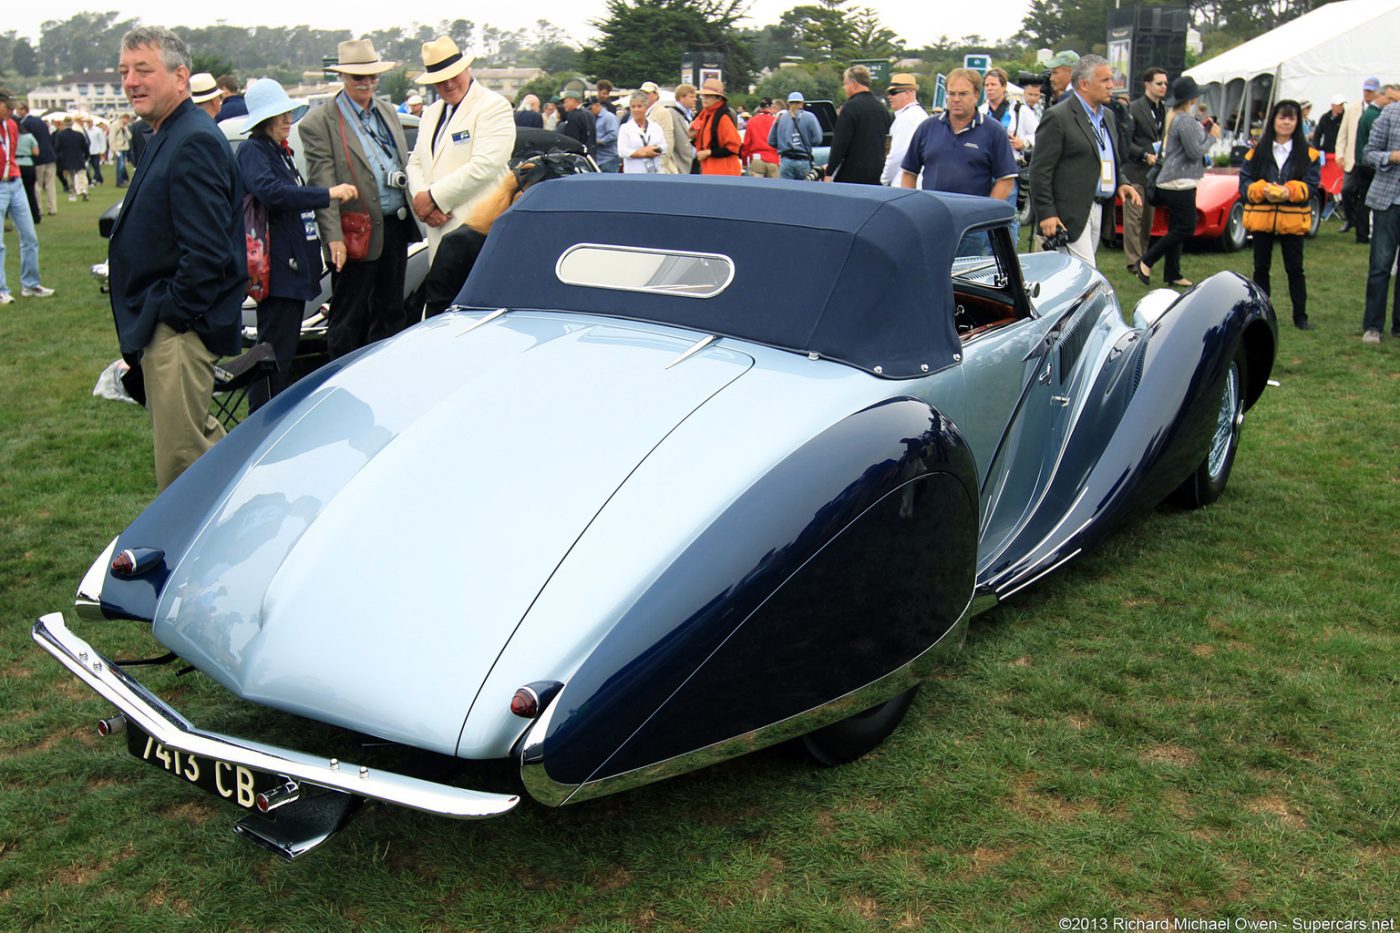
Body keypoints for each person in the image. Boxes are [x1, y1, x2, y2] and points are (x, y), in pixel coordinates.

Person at [107, 27, 244, 490]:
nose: (131, 82)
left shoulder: (192, 140)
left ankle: (221, 538)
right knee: (199, 453)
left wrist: (171, 315)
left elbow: (207, 253)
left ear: (180, 77)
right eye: (124, 71)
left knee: (183, 470)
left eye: (143, 70)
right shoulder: (170, 133)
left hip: (181, 330)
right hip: (172, 326)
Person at [236, 79, 358, 411]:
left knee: (282, 352)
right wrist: (327, 194)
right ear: (264, 120)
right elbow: (272, 192)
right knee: (273, 354)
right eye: (280, 115)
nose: (287, 120)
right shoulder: (254, 151)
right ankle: (264, 419)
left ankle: (272, 416)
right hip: (277, 271)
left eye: (288, 113)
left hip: (290, 268)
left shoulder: (278, 152)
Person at [300, 38, 421, 358]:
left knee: (390, 311)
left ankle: (384, 373)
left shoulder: (387, 112)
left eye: (372, 76)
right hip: (354, 231)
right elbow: (322, 183)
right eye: (358, 77)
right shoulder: (319, 122)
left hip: (394, 226)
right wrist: (333, 238)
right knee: (348, 317)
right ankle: (342, 378)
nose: (367, 83)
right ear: (342, 77)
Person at [407, 36, 513, 322]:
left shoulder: (493, 105)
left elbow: (486, 164)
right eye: (440, 80)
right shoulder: (431, 113)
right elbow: (416, 162)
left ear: (467, 69)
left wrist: (434, 198)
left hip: (477, 234)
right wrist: (424, 202)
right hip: (439, 234)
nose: (448, 84)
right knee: (444, 318)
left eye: (453, 75)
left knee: (479, 318)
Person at [1030, 55, 1142, 267]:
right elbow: (1040, 170)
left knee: (1076, 275)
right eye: (1105, 80)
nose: (1111, 85)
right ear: (1084, 84)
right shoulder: (1058, 116)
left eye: (1111, 79)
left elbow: (1106, 157)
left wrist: (1121, 182)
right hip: (1069, 213)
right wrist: (1046, 213)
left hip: (1097, 208)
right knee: (1086, 273)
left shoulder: (1107, 116)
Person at [899, 68, 1017, 255]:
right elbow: (908, 173)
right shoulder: (927, 128)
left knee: (965, 273)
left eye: (962, 94)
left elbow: (1006, 180)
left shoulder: (993, 131)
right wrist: (913, 209)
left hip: (971, 229)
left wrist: (984, 216)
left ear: (976, 95)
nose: (955, 99)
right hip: (932, 222)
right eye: (951, 93)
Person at [1239, 99, 1321, 331]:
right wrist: (1261, 190)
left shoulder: (1310, 154)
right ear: (1273, 120)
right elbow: (1244, 184)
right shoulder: (1256, 152)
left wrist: (1289, 191)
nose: (1286, 122)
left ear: (1298, 122)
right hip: (1262, 218)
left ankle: (1300, 316)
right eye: (1282, 117)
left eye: (1291, 118)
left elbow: (1312, 185)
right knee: (1260, 267)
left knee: (1295, 269)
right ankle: (1261, 314)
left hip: (1292, 220)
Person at [1136, 77, 1221, 289]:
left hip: (1176, 180)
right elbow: (1194, 152)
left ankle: (1173, 273)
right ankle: (1147, 260)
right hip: (1179, 182)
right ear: (1192, 98)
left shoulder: (1176, 117)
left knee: (1176, 227)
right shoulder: (1184, 120)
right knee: (1185, 227)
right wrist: (1212, 137)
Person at [0, 88, 55, 305]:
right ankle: (1, 289)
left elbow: (10, 154)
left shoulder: (12, 126)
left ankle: (30, 284)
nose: (11, 111)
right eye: (8, 107)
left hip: (15, 182)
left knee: (30, 236)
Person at [1360, 84, 1400, 343]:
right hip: (1388, 201)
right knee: (1380, 267)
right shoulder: (1391, 113)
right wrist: (1392, 157)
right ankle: (1373, 326)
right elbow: (1368, 153)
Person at [979, 67, 1037, 244]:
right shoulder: (980, 111)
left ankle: (1009, 253)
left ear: (1004, 87)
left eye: (993, 85)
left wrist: (1024, 142)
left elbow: (1040, 133)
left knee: (1008, 214)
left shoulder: (1019, 110)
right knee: (984, 215)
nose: (989, 88)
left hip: (1010, 168)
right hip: (985, 170)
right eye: (987, 85)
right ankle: (988, 253)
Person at [1122, 67, 1168, 274]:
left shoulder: (1165, 109)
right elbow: (1125, 141)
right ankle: (1133, 261)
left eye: (1165, 84)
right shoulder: (1133, 108)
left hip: (1154, 174)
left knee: (1148, 220)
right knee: (1134, 219)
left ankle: (1143, 259)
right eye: (1159, 83)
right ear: (1147, 84)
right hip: (1135, 171)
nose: (1163, 87)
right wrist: (1143, 155)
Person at [824, 65, 889, 184]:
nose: (844, 87)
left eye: (845, 83)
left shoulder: (850, 108)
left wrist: (829, 172)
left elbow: (840, 143)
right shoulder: (882, 108)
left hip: (852, 174)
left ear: (854, 84)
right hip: (878, 173)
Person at [1336, 77, 1380, 239]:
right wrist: (1340, 154)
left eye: (1371, 91)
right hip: (1352, 159)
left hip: (1369, 161)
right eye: (1366, 90)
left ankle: (1363, 226)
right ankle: (1351, 219)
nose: (1367, 94)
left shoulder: (1380, 111)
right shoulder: (1352, 109)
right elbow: (1343, 133)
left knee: (1366, 195)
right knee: (1346, 190)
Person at [881, 73, 927, 187]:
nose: (889, 96)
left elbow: (896, 156)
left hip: (903, 183)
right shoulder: (918, 114)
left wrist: (884, 179)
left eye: (893, 92)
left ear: (908, 93)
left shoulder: (906, 119)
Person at [14, 101, 57, 217]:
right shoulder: (41, 121)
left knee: (37, 185)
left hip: (37, 158)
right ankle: (52, 208)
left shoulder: (25, 124)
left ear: (23, 110)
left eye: (18, 110)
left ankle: (38, 208)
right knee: (50, 184)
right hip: (50, 155)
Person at [691, 79, 741, 176]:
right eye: (703, 95)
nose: (704, 98)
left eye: (709, 96)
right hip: (709, 169)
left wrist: (709, 152)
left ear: (718, 98)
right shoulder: (704, 115)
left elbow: (734, 147)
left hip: (725, 171)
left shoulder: (723, 118)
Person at [769, 91, 821, 180]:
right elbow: (818, 139)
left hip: (786, 161)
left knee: (786, 188)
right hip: (803, 160)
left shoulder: (781, 118)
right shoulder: (810, 117)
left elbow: (771, 141)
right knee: (804, 187)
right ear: (802, 103)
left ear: (788, 104)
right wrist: (807, 143)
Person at [619, 90, 665, 174]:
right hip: (634, 173)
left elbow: (664, 147)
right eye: (633, 107)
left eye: (639, 106)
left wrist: (653, 149)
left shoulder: (655, 127)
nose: (636, 110)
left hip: (655, 172)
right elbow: (622, 151)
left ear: (646, 107)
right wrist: (643, 153)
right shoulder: (625, 128)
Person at [13, 113, 41, 224]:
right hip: (28, 164)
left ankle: (18, 217)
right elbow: (36, 152)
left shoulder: (11, 137)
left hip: (15, 164)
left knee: (16, 194)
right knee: (30, 192)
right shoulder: (29, 136)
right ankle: (35, 215)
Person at [53, 117, 89, 201]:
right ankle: (83, 189)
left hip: (67, 158)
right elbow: (85, 147)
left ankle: (73, 193)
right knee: (81, 175)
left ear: (64, 124)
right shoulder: (79, 134)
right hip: (79, 158)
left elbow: (57, 148)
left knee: (70, 177)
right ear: (72, 124)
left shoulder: (60, 135)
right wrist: (86, 156)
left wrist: (59, 159)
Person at [741, 97, 779, 178]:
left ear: (760, 108)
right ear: (771, 107)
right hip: (773, 159)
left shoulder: (752, 121)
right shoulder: (775, 121)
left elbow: (746, 144)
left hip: (757, 159)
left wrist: (744, 162)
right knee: (774, 185)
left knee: (757, 185)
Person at [557, 89, 596, 154]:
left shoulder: (574, 116)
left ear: (572, 100)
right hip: (590, 154)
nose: (564, 105)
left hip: (579, 155)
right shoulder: (589, 113)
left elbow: (572, 141)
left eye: (565, 102)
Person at [590, 96, 620, 173]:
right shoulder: (593, 118)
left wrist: (600, 141)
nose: (589, 111)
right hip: (598, 159)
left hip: (608, 159)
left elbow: (614, 134)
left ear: (597, 105)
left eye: (590, 108)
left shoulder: (609, 117)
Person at [1311, 94, 1346, 159]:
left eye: (1342, 105)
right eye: (1338, 105)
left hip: (1342, 154)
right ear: (1332, 105)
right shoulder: (1325, 118)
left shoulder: (1346, 117)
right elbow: (1317, 135)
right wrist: (1318, 149)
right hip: (1327, 153)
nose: (1341, 107)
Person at [109, 113, 132, 187]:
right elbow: (111, 137)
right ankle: (119, 181)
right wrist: (114, 149)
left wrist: (124, 129)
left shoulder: (125, 126)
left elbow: (129, 136)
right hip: (118, 148)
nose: (127, 121)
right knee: (121, 165)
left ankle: (124, 179)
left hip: (124, 147)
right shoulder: (115, 125)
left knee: (123, 165)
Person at [84, 117, 107, 185]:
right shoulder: (85, 130)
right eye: (88, 122)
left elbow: (102, 140)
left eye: (90, 122)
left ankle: (96, 179)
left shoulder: (98, 130)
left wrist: (102, 150)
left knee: (96, 166)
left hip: (96, 151)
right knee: (88, 167)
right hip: (88, 152)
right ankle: (97, 179)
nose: (89, 124)